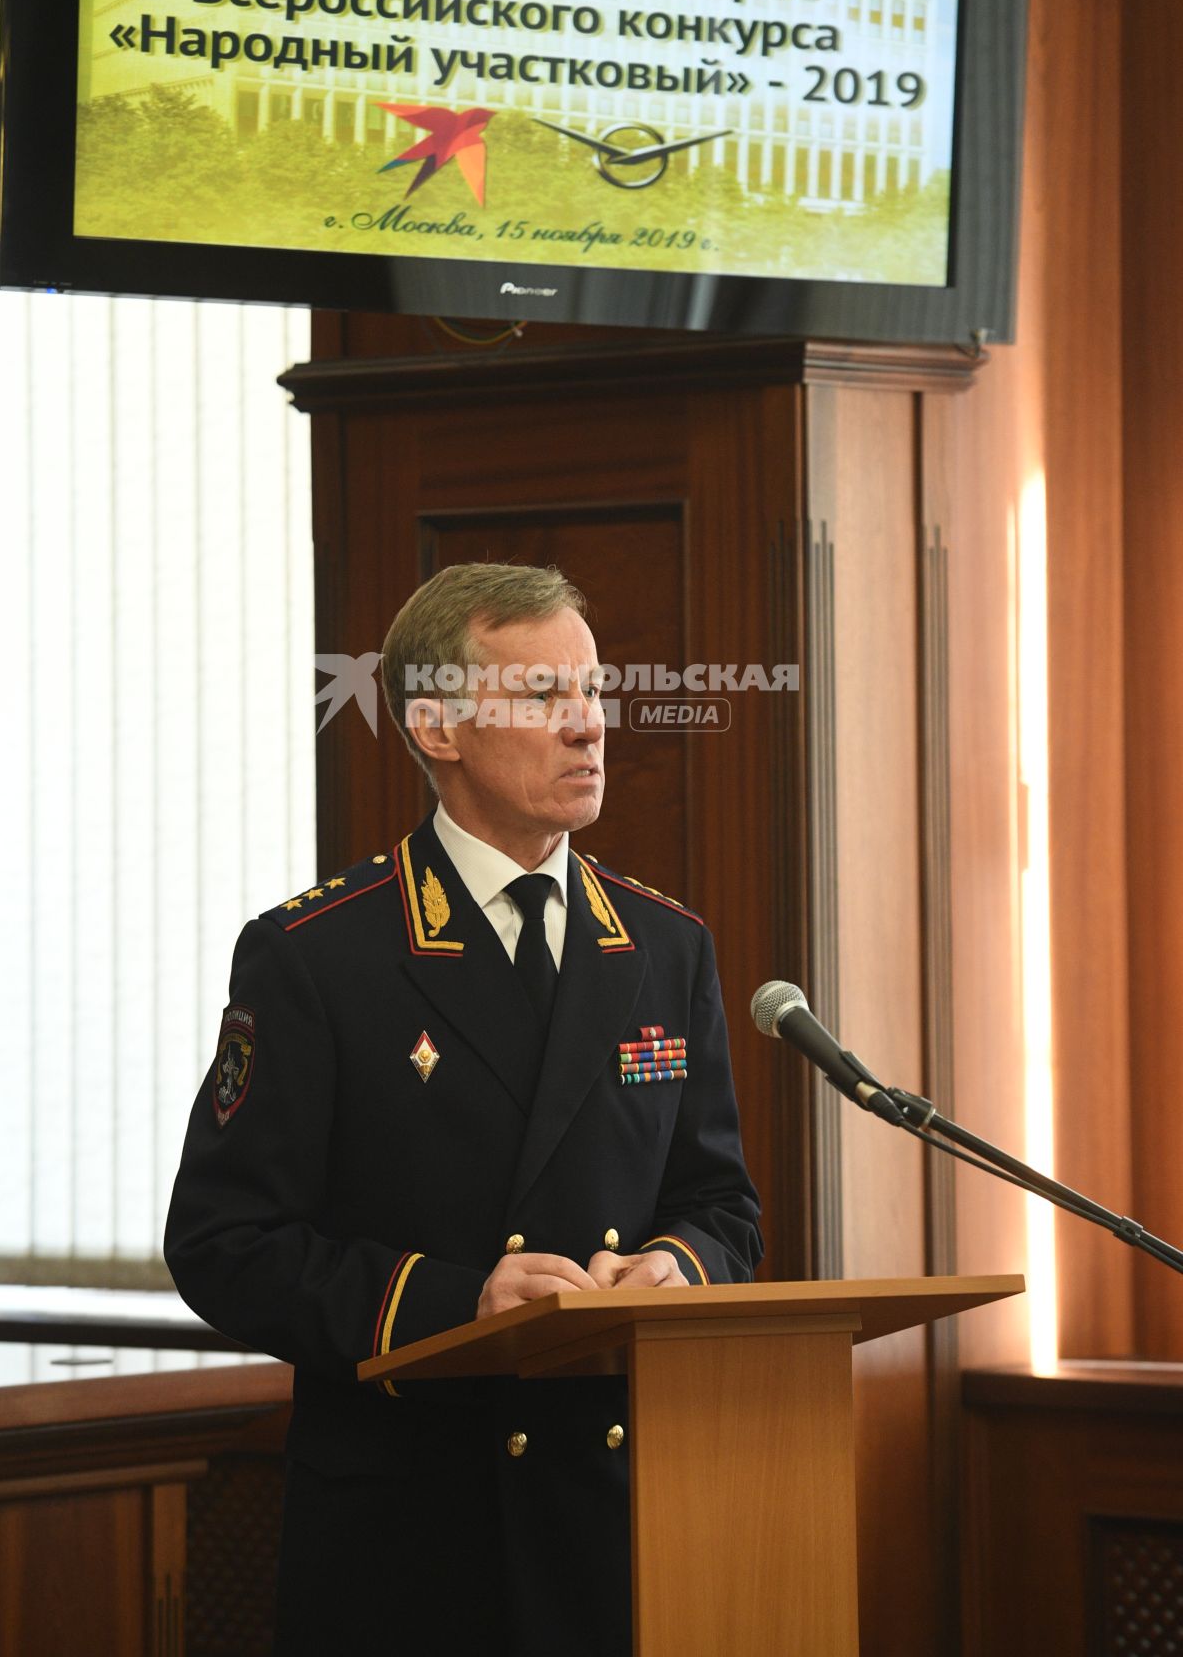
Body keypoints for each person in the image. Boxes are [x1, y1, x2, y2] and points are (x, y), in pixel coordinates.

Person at [164, 562, 762, 1655]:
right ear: (435, 727)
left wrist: (678, 1266)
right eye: (543, 698)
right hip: (408, 1539)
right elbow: (222, 1243)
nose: (587, 727)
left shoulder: (664, 946)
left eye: (593, 693)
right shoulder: (318, 955)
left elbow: (720, 1204)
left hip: (622, 1523)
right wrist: (455, 1302)